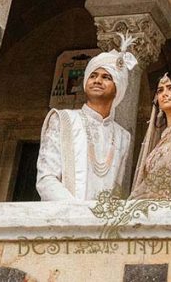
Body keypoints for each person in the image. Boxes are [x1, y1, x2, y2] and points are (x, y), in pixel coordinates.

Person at [36, 39, 137, 201]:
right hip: (65, 213)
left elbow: (116, 191)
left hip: (101, 216)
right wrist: (78, 212)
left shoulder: (123, 136)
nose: (97, 80)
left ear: (118, 88)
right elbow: (46, 180)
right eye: (93, 76)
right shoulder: (64, 120)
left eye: (106, 77)